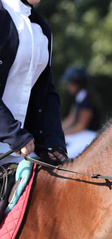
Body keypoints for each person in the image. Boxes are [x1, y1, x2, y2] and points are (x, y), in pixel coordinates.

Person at [0, 0, 67, 165]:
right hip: (17, 140)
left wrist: (54, 139)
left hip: (21, 149)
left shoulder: (40, 27)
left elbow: (45, 91)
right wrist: (15, 134)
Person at [61, 66, 101, 158]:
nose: (68, 87)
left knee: (67, 156)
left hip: (89, 135)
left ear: (77, 84)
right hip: (81, 134)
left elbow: (81, 126)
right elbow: (71, 118)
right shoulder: (78, 98)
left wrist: (63, 133)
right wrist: (57, 130)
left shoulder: (87, 100)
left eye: (70, 83)